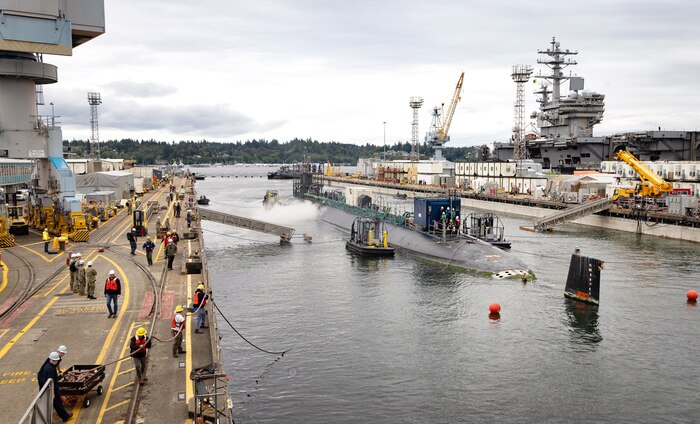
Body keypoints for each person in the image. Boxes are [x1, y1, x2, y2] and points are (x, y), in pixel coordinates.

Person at [37, 352, 72, 422]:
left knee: (55, 403)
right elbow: (51, 381)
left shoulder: (47, 366)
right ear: (55, 361)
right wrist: (53, 392)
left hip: (46, 388)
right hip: (52, 389)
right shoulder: (52, 369)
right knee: (57, 402)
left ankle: (65, 416)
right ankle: (65, 416)